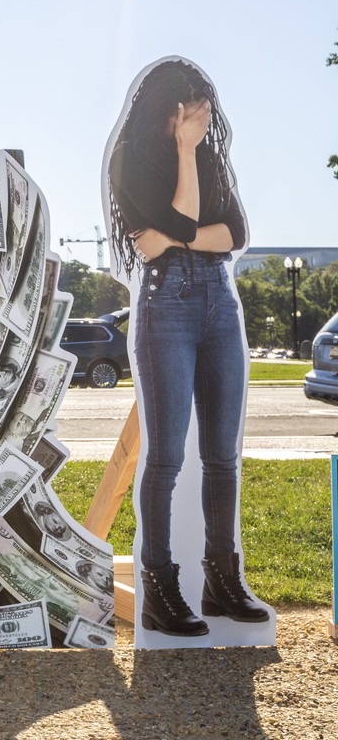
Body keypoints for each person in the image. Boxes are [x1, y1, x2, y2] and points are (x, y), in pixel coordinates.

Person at [106, 57, 268, 636]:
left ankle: (223, 582)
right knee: (167, 457)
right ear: (168, 110)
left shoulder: (212, 157)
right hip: (165, 306)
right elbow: (181, 222)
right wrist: (183, 156)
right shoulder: (129, 160)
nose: (203, 117)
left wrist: (177, 234)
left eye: (205, 106)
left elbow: (235, 233)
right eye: (191, 107)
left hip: (221, 306)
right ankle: (161, 589)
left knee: (223, 457)